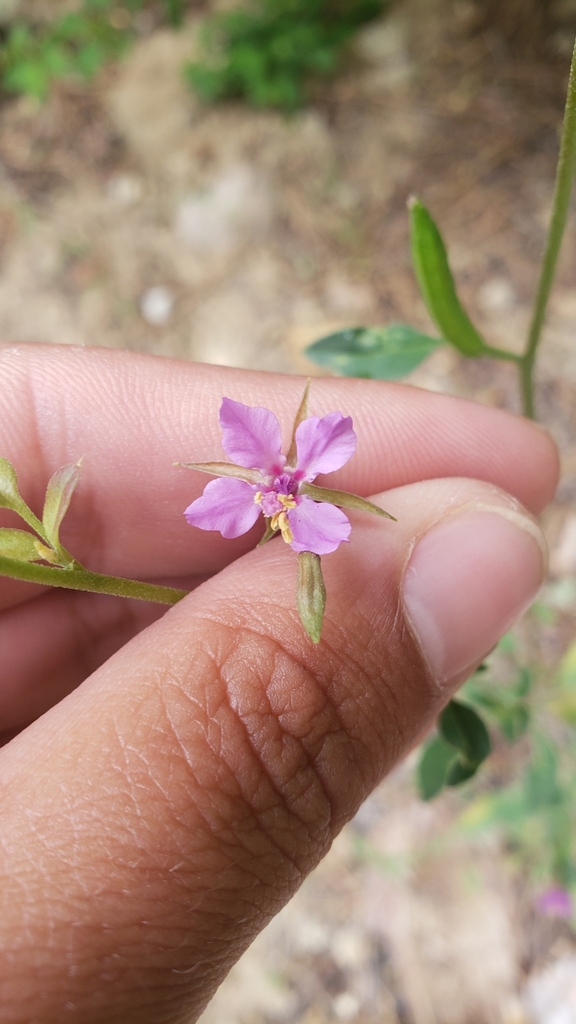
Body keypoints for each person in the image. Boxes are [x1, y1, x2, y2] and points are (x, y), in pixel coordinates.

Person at [0, 343, 558, 1023]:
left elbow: (309, 488)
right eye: (278, 488)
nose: (282, 490)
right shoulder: (279, 505)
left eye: (287, 482)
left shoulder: (306, 499)